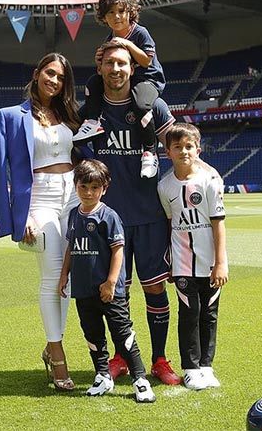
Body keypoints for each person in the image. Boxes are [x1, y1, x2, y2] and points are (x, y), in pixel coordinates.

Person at [78, 40, 181, 386]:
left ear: (132, 68)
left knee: (155, 290)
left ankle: (160, 360)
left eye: (122, 63)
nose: (116, 69)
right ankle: (121, 357)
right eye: (110, 63)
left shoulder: (156, 107)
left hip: (150, 217)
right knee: (114, 295)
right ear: (100, 68)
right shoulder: (91, 114)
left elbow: (181, 148)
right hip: (109, 223)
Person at [0, 52, 80, 391]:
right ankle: (58, 355)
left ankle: (51, 343)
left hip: (73, 195)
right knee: (52, 274)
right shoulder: (11, 116)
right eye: (50, 73)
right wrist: (18, 216)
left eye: (61, 77)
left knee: (70, 277)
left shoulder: (71, 113)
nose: (54, 80)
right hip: (38, 200)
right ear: (37, 72)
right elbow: (0, 173)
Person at [58, 159, 156, 403]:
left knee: (123, 335)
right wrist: (64, 275)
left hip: (110, 291)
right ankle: (102, 376)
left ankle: (140, 379)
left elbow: (118, 250)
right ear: (76, 186)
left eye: (95, 187)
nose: (89, 192)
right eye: (84, 187)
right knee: (92, 335)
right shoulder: (73, 215)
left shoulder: (108, 216)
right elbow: (71, 247)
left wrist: (111, 282)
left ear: (104, 188)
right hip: (83, 289)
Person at [157, 122, 229, 390]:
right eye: (178, 147)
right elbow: (169, 224)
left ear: (198, 149)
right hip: (182, 263)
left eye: (189, 147)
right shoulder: (164, 187)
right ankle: (190, 368)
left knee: (209, 314)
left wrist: (221, 263)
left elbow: (218, 223)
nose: (184, 151)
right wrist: (170, 263)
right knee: (189, 313)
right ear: (168, 152)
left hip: (210, 263)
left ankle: (206, 367)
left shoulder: (210, 181)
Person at [72, 0, 166, 179]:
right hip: (127, 82)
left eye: (121, 11)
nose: (117, 16)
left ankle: (149, 152)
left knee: (141, 105)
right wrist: (99, 58)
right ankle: (92, 121)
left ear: (130, 12)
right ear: (103, 17)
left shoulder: (140, 32)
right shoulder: (109, 39)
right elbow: (107, 65)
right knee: (93, 82)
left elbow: (146, 61)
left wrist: (127, 45)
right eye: (111, 12)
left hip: (148, 80)